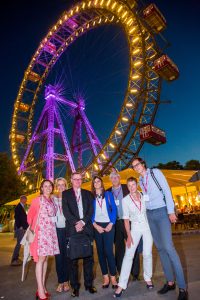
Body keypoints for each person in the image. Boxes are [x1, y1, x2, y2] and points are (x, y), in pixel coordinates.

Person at [132, 157, 188, 300]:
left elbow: (167, 191)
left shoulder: (155, 173)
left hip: (162, 212)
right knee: (161, 249)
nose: (136, 167)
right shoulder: (140, 181)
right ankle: (170, 282)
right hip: (150, 215)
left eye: (137, 164)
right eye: (133, 166)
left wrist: (170, 211)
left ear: (143, 164)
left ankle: (182, 287)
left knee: (169, 248)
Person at [114, 177, 153, 297]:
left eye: (133, 185)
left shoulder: (144, 195)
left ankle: (148, 278)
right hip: (135, 228)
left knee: (147, 253)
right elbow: (126, 220)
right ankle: (121, 284)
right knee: (128, 255)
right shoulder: (125, 200)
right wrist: (129, 236)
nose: (131, 187)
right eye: (129, 185)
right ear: (127, 186)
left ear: (137, 184)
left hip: (147, 227)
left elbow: (150, 210)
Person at [62, 172, 97, 297]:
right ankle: (75, 287)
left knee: (89, 259)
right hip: (73, 229)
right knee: (73, 260)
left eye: (79, 179)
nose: (78, 181)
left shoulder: (88, 194)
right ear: (71, 180)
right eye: (75, 179)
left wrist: (82, 222)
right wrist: (76, 223)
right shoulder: (65, 194)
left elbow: (91, 210)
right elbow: (66, 211)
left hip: (86, 228)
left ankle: (89, 284)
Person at [27, 179, 60, 300]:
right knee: (40, 260)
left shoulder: (52, 201)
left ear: (52, 188)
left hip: (50, 232)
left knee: (46, 259)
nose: (48, 188)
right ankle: (40, 290)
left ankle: (42, 288)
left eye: (49, 186)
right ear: (41, 188)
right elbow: (29, 216)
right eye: (45, 186)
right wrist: (34, 230)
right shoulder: (37, 200)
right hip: (40, 234)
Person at [107, 171, 140, 280]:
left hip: (128, 221)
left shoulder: (127, 187)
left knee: (132, 246)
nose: (114, 179)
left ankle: (135, 273)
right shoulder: (107, 192)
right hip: (115, 223)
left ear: (119, 178)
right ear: (110, 180)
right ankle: (121, 272)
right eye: (112, 178)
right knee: (119, 249)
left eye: (116, 177)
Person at [91, 176, 118, 288]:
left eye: (98, 181)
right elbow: (89, 212)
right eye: (95, 182)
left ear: (101, 183)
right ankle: (105, 277)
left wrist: (111, 223)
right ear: (93, 184)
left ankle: (113, 276)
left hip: (108, 225)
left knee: (109, 251)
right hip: (97, 226)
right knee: (100, 253)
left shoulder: (108, 194)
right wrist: (95, 225)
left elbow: (114, 209)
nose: (97, 183)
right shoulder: (91, 196)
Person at [54, 177, 70, 293]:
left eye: (62, 185)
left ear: (66, 186)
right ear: (56, 187)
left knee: (67, 256)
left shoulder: (70, 198)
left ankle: (66, 281)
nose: (60, 187)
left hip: (68, 229)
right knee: (58, 257)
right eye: (58, 185)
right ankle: (60, 281)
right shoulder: (52, 199)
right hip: (56, 230)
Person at [11, 195, 28, 266]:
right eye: (25, 199)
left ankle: (16, 258)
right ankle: (14, 259)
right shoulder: (19, 207)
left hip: (21, 227)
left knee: (20, 243)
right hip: (20, 228)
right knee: (19, 243)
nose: (26, 201)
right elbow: (17, 217)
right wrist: (20, 226)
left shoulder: (21, 207)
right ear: (22, 199)